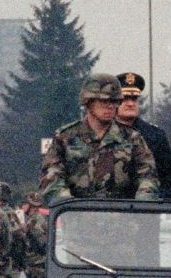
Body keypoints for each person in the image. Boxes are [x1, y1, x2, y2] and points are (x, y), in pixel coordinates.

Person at [38, 73, 160, 205]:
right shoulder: (65, 138)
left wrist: (143, 198)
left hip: (123, 218)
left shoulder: (132, 138)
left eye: (114, 101)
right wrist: (66, 201)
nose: (110, 106)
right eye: (104, 101)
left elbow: (148, 175)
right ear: (88, 103)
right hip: (78, 217)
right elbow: (51, 177)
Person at [115, 71, 171, 198]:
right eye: (124, 99)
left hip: (147, 210)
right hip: (109, 210)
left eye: (134, 99)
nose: (130, 103)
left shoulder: (156, 136)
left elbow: (170, 179)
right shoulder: (103, 133)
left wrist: (156, 200)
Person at [19, 192, 48, 278]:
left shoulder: (34, 221)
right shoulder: (36, 218)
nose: (22, 206)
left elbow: (41, 243)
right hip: (35, 262)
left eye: (25, 203)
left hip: (36, 263)